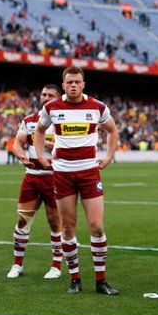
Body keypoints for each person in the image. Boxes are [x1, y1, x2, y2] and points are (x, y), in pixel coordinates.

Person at [34, 66, 119, 295]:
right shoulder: (51, 107)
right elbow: (39, 132)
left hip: (89, 172)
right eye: (69, 82)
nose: (73, 85)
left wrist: (109, 156)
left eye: (77, 82)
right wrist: (41, 155)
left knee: (97, 227)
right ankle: (75, 279)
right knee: (69, 228)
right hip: (62, 173)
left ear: (83, 84)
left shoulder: (97, 106)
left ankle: (101, 281)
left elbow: (112, 130)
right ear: (63, 85)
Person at [6, 84, 63, 279]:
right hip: (32, 176)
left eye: (50, 95)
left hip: (54, 177)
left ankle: (56, 265)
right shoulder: (29, 120)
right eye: (43, 94)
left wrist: (50, 143)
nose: (45, 97)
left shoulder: (63, 120)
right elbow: (17, 142)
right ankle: (17, 264)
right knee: (22, 220)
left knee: (55, 222)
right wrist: (21, 155)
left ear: (58, 98)